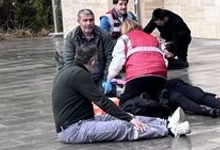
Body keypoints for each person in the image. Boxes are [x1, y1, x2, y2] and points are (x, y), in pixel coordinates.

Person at [52, 45, 190, 144]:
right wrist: (129, 120)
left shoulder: (70, 70)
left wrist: (128, 117)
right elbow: (101, 101)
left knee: (126, 117)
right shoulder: (79, 74)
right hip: (73, 130)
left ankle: (165, 122)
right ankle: (170, 130)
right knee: (124, 126)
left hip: (85, 121)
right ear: (93, 62)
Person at [107, 19, 167, 102]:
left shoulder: (124, 39)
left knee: (125, 101)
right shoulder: (153, 38)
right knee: (154, 94)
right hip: (160, 76)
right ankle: (158, 98)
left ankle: (142, 100)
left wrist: (108, 78)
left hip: (138, 76)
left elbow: (117, 62)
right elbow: (165, 61)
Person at [59, 8, 115, 85]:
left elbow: (110, 58)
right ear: (78, 22)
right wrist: (73, 81)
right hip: (80, 77)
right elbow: (69, 61)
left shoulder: (104, 35)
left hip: (101, 76)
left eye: (91, 20)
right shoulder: (71, 37)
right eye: (85, 20)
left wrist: (106, 79)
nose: (88, 23)